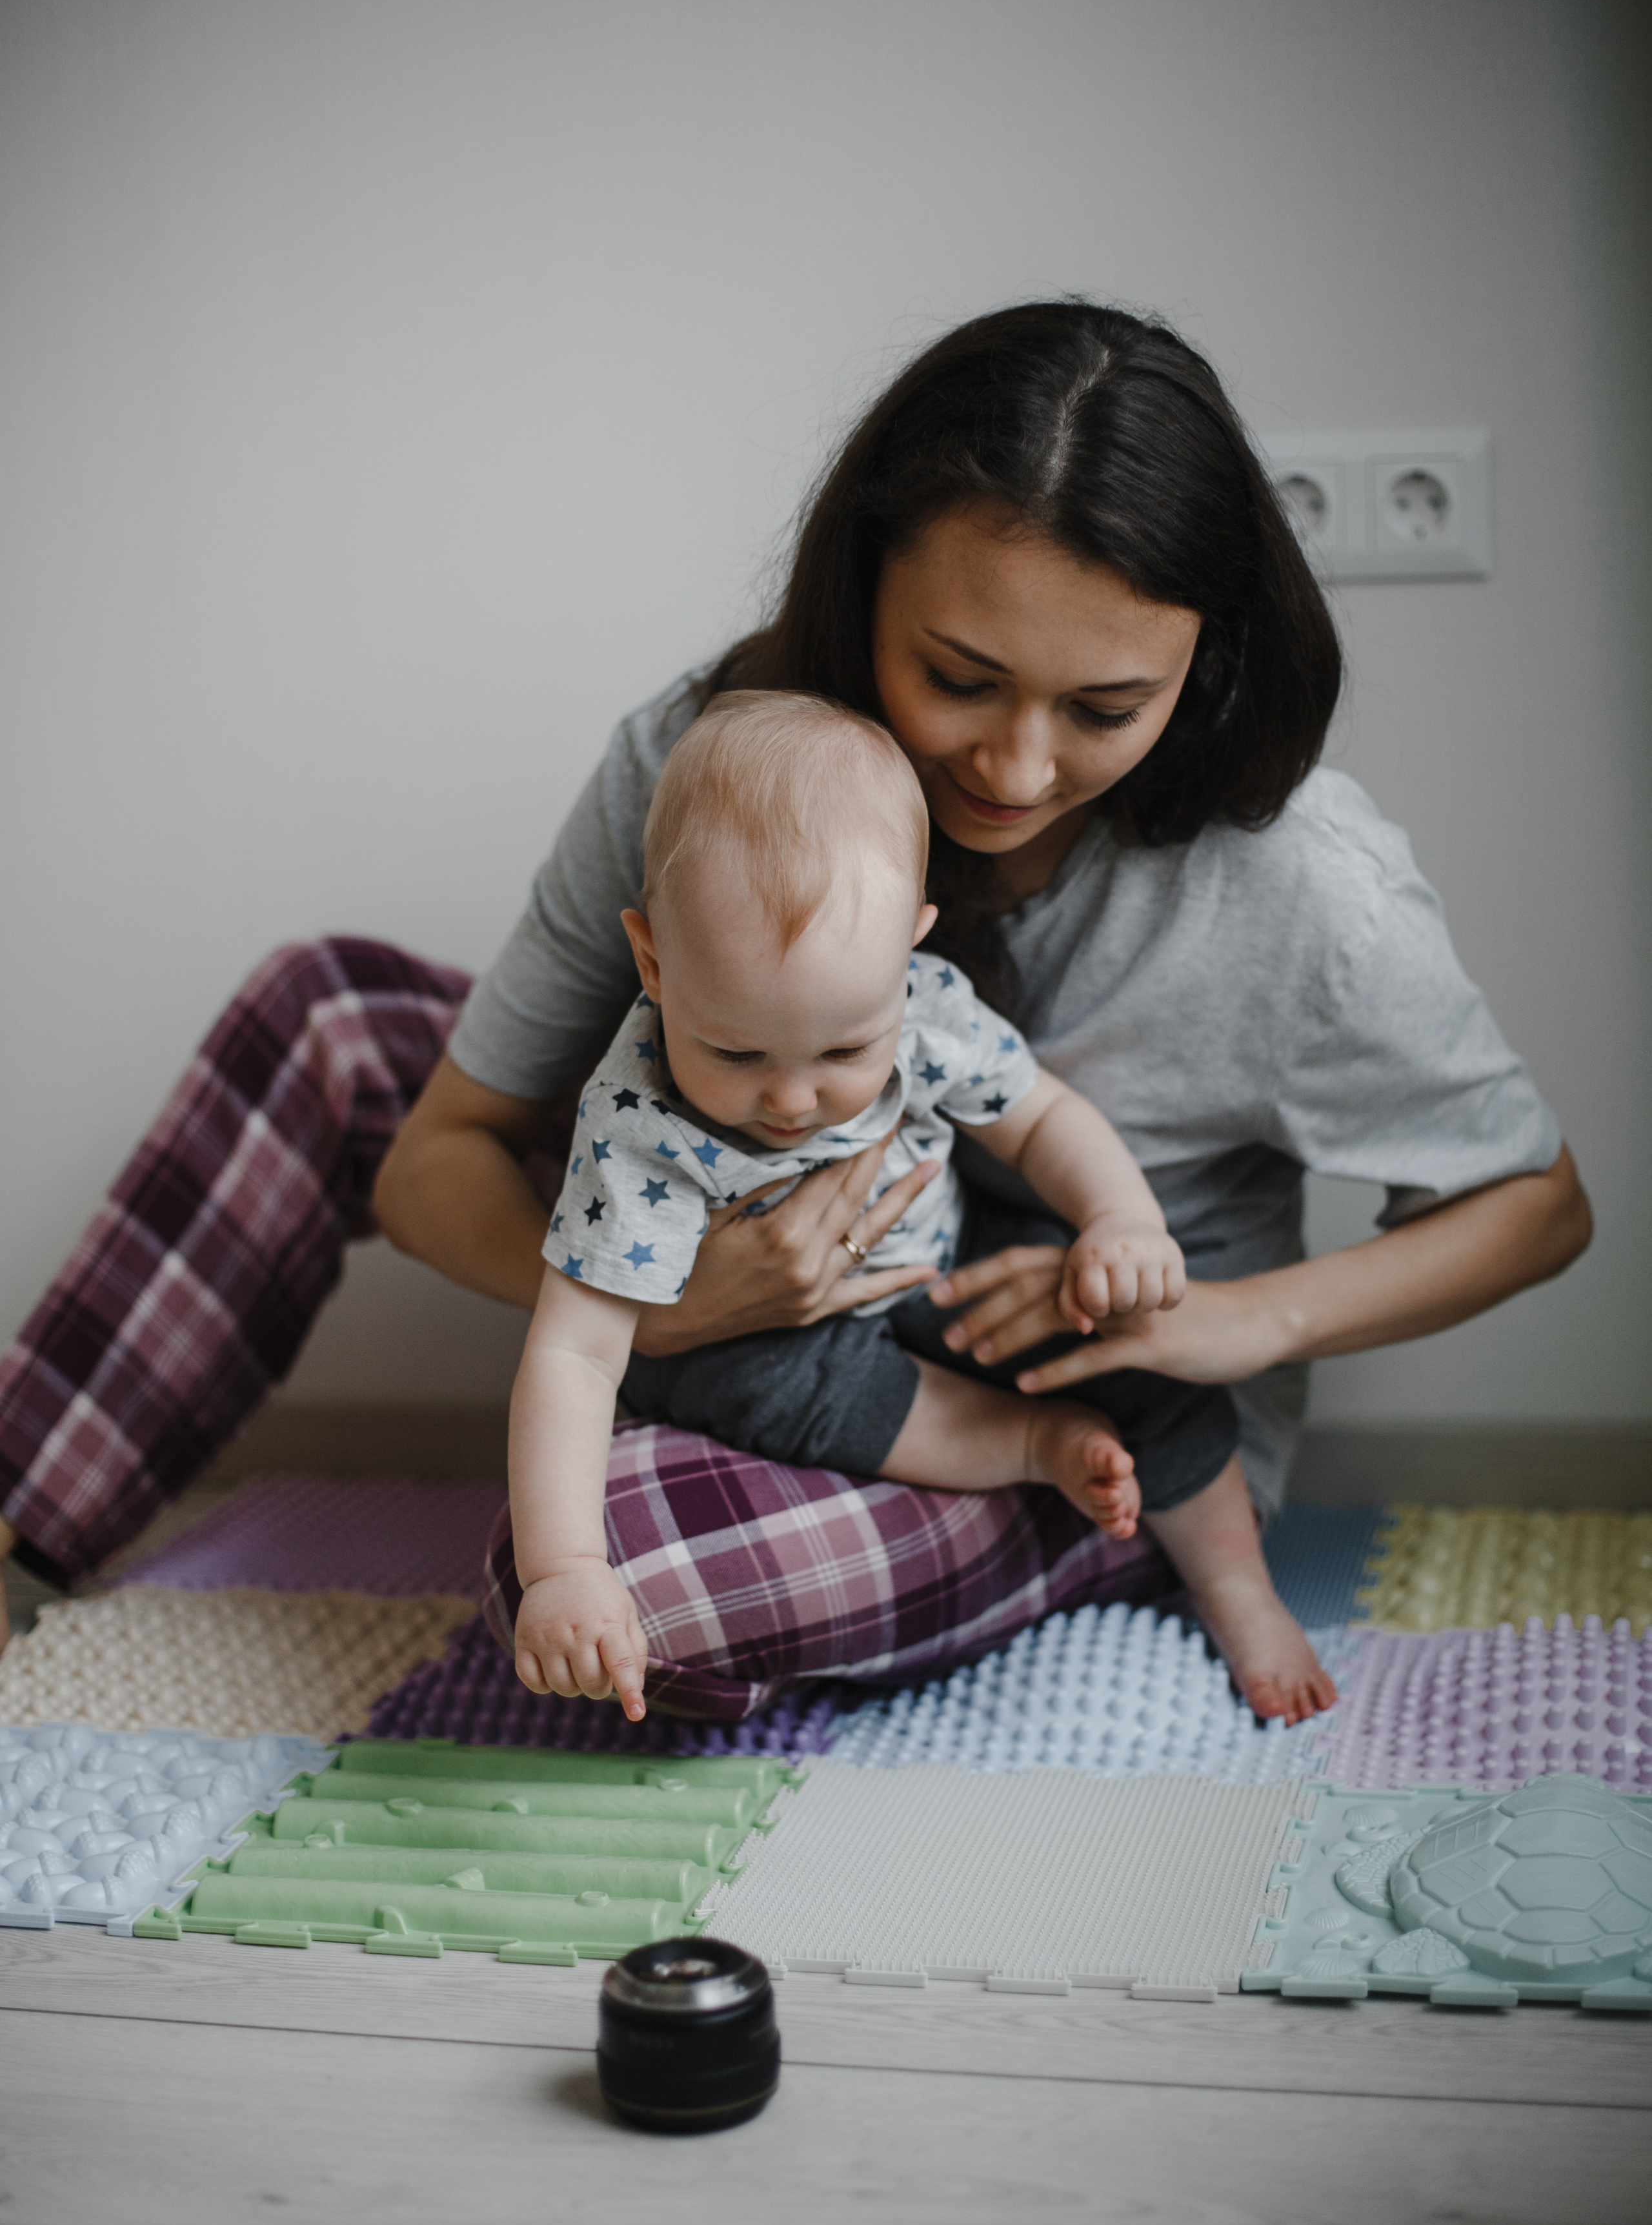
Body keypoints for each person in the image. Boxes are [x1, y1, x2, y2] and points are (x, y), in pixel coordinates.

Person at [0, 301, 1589, 1714]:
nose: (1015, 771)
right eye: (956, 678)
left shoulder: (1300, 884)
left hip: (1063, 1398)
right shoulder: (704, 767)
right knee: (331, 1016)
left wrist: (1215, 1321)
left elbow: (1532, 1206)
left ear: (1201, 664)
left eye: (1104, 709)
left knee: (634, 1577)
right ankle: (15, 1533)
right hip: (710, 1284)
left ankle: (979, 1512)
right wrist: (675, 1308)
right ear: (862, 592)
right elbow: (436, 1156)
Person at [510, 689, 1333, 1724]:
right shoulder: (632, 1119)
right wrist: (566, 1569)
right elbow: (575, 1354)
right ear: (654, 964)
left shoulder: (930, 1006)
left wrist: (1122, 1222)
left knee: (1127, 1343)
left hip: (939, 1264)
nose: (793, 1100)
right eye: (735, 1052)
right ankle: (1031, 1447)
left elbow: (1041, 1123)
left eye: (846, 1050)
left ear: (913, 944)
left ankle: (1240, 1595)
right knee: (755, 1385)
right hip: (765, 1346)